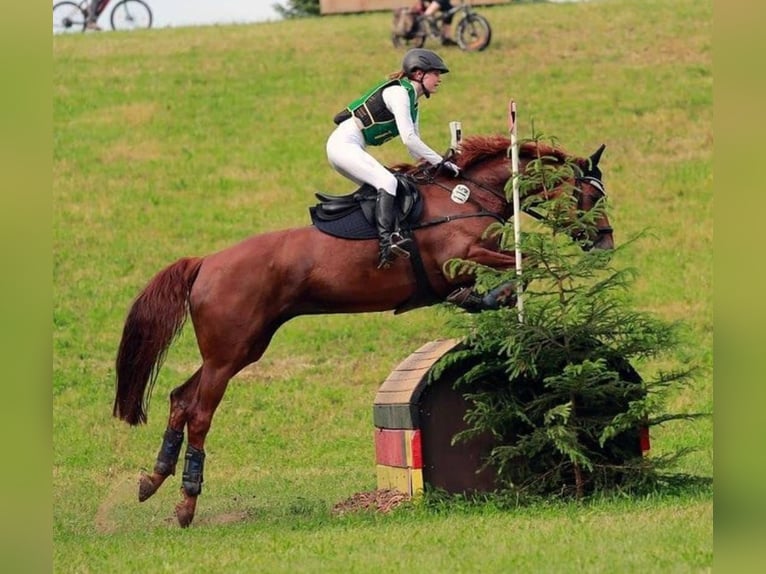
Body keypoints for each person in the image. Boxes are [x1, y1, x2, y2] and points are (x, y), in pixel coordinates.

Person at [327, 48, 460, 269]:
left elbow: (414, 148)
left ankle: (374, 237)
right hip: (343, 146)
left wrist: (439, 163)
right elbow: (408, 139)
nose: (439, 79)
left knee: (390, 187)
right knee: (388, 182)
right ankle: (386, 242)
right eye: (435, 73)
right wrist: (441, 162)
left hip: (349, 147)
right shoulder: (399, 93)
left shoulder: (412, 102)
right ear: (418, 73)